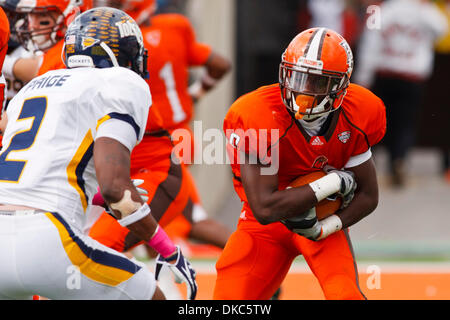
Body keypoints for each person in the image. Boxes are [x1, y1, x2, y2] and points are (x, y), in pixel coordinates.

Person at [0, 7, 196, 300]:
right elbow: (115, 187)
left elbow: (41, 167)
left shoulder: (31, 90)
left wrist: (97, 195)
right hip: (48, 239)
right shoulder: (121, 83)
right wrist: (168, 250)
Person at [214, 27, 386, 300]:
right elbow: (265, 208)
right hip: (265, 230)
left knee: (345, 295)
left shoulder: (359, 112)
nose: (303, 90)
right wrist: (332, 182)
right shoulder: (256, 115)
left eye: (317, 82)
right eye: (297, 76)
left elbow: (368, 195)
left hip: (324, 220)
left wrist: (326, 228)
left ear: (340, 86)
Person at [88, 0, 233, 259]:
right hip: (177, 134)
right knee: (143, 218)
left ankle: (250, 259)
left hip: (154, 141)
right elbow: (220, 64)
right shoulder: (176, 26)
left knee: (190, 219)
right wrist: (196, 93)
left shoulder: (121, 38)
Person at [354, 0, 448, 187]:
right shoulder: (425, 10)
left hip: (385, 72)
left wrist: (363, 78)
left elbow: (370, 42)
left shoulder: (382, 11)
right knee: (406, 122)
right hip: (412, 75)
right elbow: (442, 29)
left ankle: (369, 163)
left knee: (379, 121)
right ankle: (399, 159)